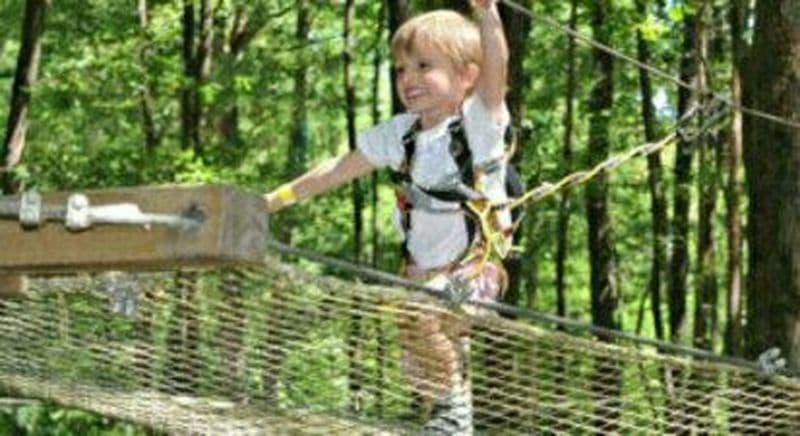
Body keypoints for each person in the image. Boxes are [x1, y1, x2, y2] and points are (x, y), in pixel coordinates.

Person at [265, 1, 511, 433]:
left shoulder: (478, 123)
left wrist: (488, 14)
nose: (408, 79)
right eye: (400, 70)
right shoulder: (401, 134)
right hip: (419, 274)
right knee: (416, 350)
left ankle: (454, 416)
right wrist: (273, 200)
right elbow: (336, 170)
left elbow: (496, 73)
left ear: (466, 77)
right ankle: (445, 415)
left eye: (423, 66)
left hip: (474, 272)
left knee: (424, 315)